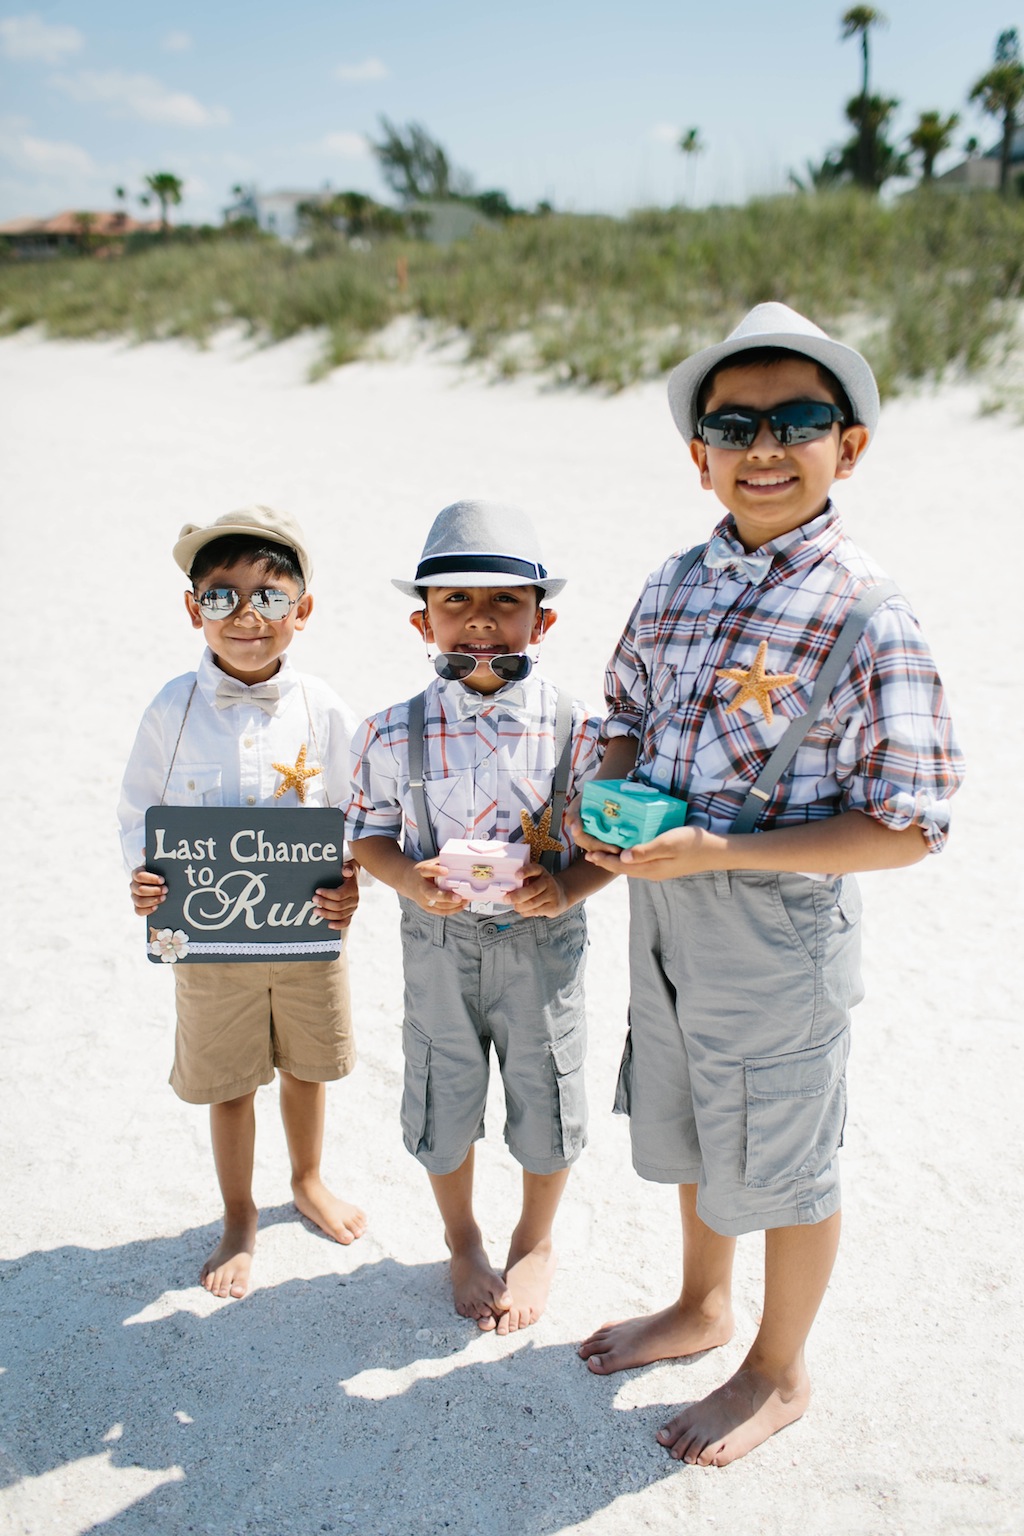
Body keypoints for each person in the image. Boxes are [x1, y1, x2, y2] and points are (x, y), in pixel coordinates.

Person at [574, 304, 965, 1465]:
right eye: (732, 424)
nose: (763, 445)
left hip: (776, 925)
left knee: (786, 1151)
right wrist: (605, 801)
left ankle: (778, 1368)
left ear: (848, 446)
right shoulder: (676, 580)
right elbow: (626, 716)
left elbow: (910, 825)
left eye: (798, 420)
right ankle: (701, 1305)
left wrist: (728, 850)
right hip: (664, 906)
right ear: (698, 454)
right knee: (693, 1113)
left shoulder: (868, 611)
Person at [345, 500, 611, 1334]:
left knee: (548, 1084)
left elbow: (608, 848)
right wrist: (410, 882)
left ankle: (534, 1240)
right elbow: (368, 835)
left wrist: (564, 888)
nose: (482, 622)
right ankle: (462, 1238)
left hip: (544, 940)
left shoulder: (582, 733)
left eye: (505, 603)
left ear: (544, 617)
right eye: (456, 603)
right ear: (422, 620)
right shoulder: (392, 731)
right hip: (437, 940)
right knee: (440, 1083)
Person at [118, 506, 364, 1301]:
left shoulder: (323, 708)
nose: (248, 615)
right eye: (222, 597)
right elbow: (136, 809)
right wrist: (144, 875)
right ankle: (237, 1213)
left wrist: (351, 882)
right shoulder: (171, 707)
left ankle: (308, 1177)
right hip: (208, 939)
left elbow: (358, 812)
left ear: (304, 610)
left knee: (307, 1066)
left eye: (270, 595)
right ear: (194, 610)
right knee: (229, 1080)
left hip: (304, 935)